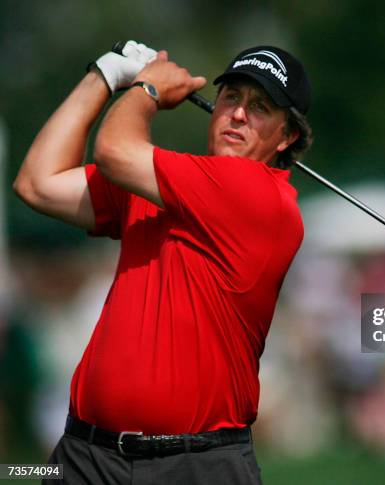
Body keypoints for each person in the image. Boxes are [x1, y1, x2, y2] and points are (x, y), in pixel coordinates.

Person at [13, 40, 313, 484]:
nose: (238, 114)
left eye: (261, 107)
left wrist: (145, 89)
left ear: (287, 137)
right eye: (231, 97)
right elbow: (37, 183)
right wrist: (103, 75)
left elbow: (113, 151)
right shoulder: (164, 182)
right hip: (84, 456)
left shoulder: (262, 196)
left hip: (195, 464)